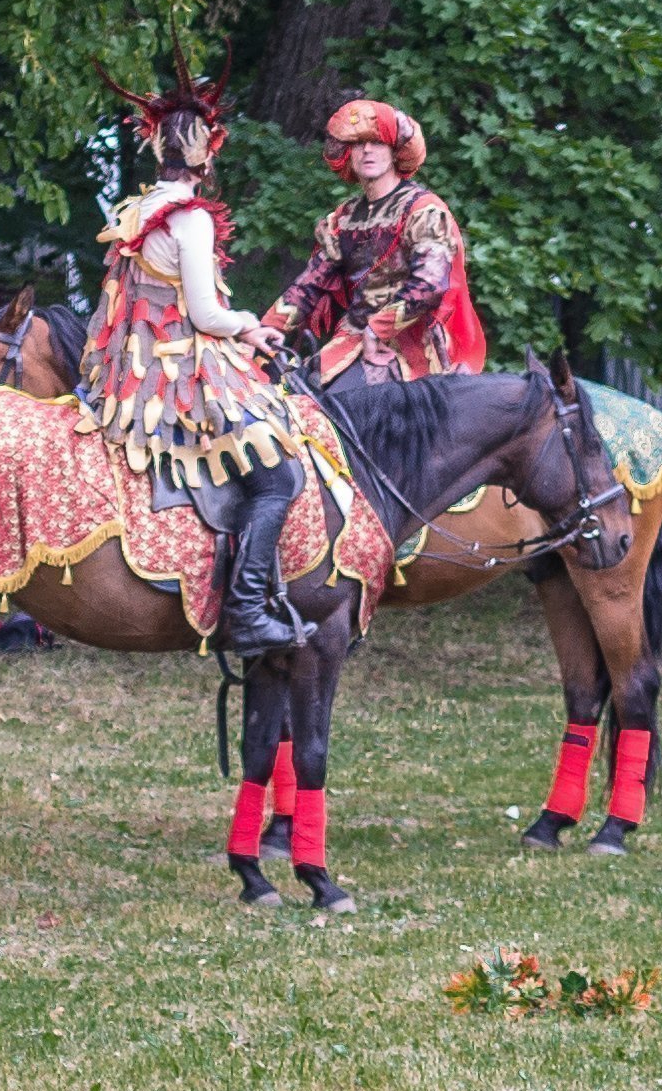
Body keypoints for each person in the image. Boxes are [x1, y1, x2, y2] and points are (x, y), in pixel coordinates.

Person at [76, 47, 313, 655]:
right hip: (182, 377)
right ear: (207, 153)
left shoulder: (134, 212)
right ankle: (247, 611)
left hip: (128, 375)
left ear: (156, 149)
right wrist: (249, 325)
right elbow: (206, 316)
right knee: (277, 477)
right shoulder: (192, 218)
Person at [263, 96, 487, 385]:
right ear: (348, 153)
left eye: (378, 143)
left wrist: (376, 330)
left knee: (342, 400)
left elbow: (429, 285)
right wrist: (265, 330)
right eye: (358, 144)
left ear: (395, 152)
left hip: (409, 348)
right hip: (353, 339)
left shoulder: (423, 210)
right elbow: (310, 285)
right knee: (292, 390)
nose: (367, 150)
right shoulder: (343, 218)